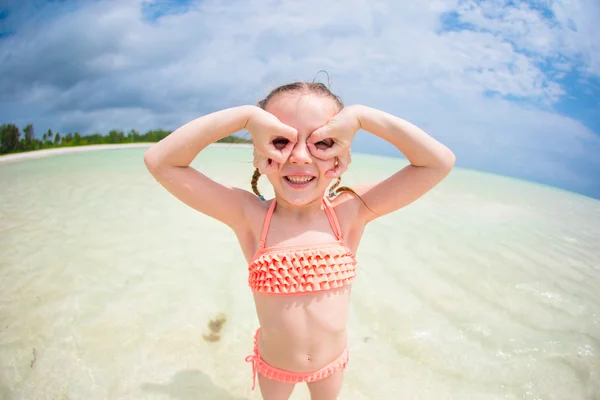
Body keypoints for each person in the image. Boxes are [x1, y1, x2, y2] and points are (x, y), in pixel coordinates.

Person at [143, 80, 455, 400]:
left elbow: (437, 162)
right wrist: (246, 118)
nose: (301, 156)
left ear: (341, 155)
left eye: (323, 142)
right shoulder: (249, 217)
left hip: (330, 366)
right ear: (259, 153)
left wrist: (361, 117)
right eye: (281, 140)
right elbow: (161, 161)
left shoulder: (350, 211)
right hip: (274, 367)